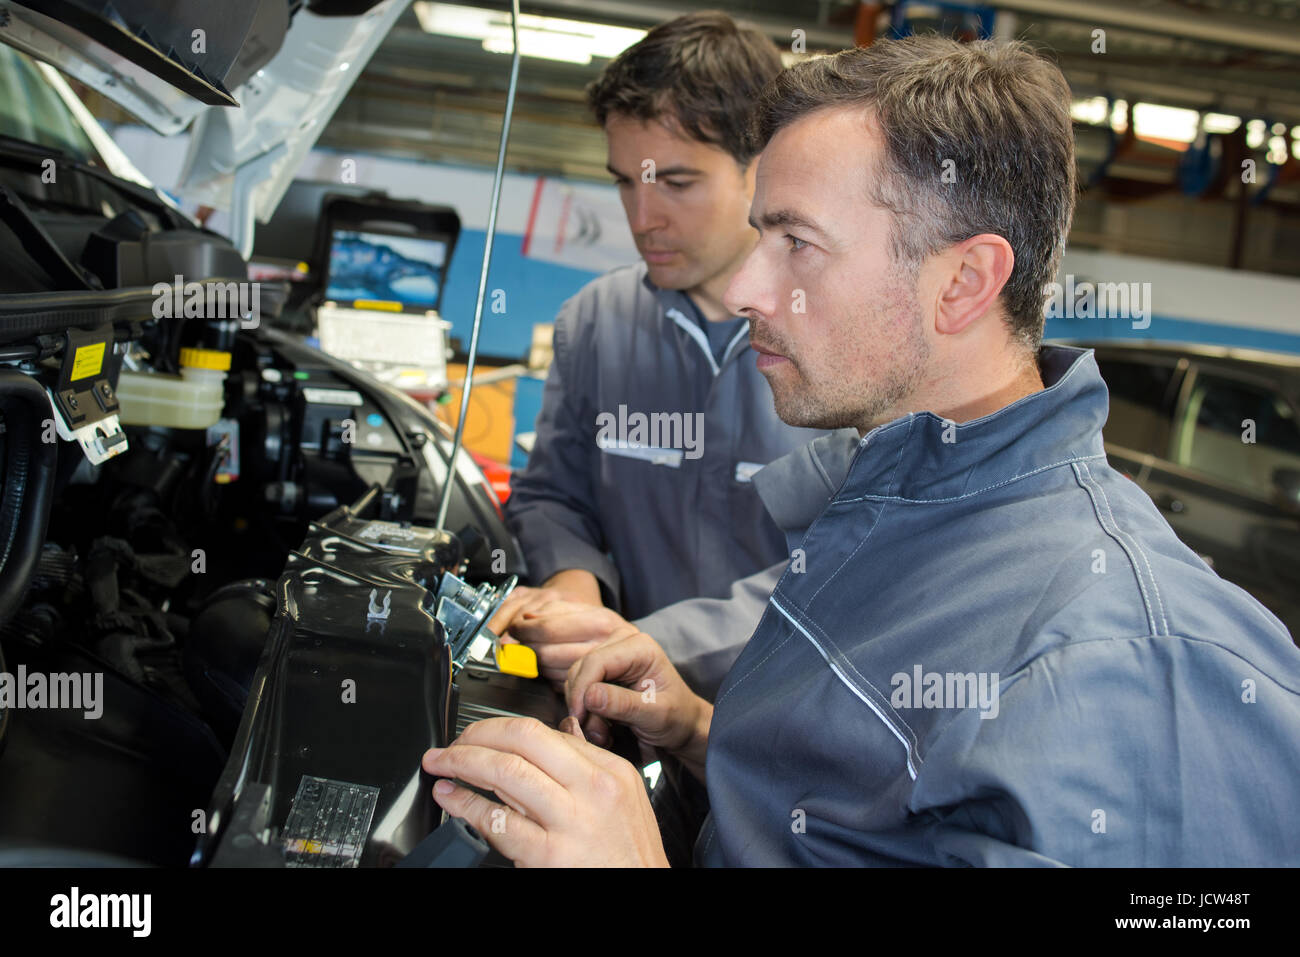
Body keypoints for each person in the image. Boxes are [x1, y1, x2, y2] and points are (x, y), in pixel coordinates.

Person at [426, 36, 1300, 866]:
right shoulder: (880, 513)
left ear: (962, 283)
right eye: (761, 234)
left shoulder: (1137, 660)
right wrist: (695, 727)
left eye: (797, 243)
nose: (745, 287)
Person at [495, 12, 828, 699]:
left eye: (676, 183)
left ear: (761, 169)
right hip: (621, 703)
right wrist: (572, 587)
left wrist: (647, 644)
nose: (642, 217)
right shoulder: (597, 322)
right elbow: (555, 493)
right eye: (625, 181)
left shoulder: (840, 340)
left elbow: (844, 561)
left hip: (785, 728)